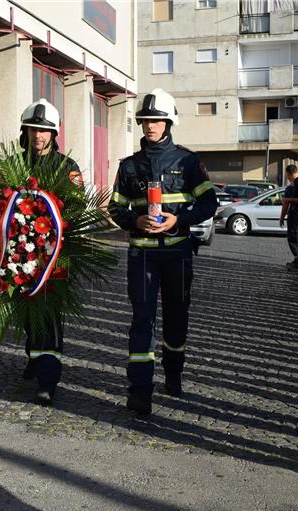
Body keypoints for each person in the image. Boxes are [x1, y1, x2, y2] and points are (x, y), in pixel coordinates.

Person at [109, 88, 217, 416]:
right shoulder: (129, 167)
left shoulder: (187, 161)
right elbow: (115, 208)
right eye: (145, 120)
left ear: (169, 122)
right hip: (141, 255)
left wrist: (178, 219)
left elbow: (209, 203)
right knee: (142, 320)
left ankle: (173, 373)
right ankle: (140, 390)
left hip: (177, 255)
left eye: (156, 120)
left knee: (176, 318)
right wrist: (135, 219)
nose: (149, 126)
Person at [16, 98, 83, 404]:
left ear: (54, 134)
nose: (38, 135)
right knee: (28, 311)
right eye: (33, 129)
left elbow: (77, 207)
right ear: (25, 132)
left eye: (44, 130)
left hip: (54, 254)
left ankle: (48, 378)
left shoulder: (67, 168)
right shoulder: (14, 164)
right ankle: (34, 357)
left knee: (52, 315)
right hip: (20, 254)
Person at [279, 164, 298, 271]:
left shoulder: (292, 186)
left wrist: (282, 217)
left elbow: (286, 204)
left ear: (288, 174)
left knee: (293, 240)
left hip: (294, 216)